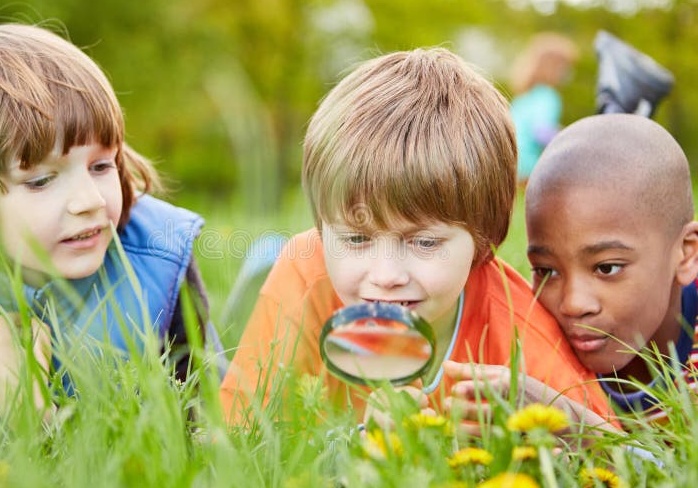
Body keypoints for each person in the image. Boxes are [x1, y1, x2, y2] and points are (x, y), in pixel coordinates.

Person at [219, 48, 611, 425]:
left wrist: (566, 429)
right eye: (356, 240)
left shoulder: (516, 332)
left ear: (484, 239)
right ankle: (254, 280)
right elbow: (236, 441)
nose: (386, 275)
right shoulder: (306, 275)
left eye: (423, 243)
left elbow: (626, 458)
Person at [0, 24, 222, 422]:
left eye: (101, 165)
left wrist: (38, 426)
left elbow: (213, 442)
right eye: (41, 180)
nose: (90, 201)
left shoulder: (161, 261)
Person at [447, 114, 698, 428]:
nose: (573, 304)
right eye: (547, 271)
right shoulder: (534, 345)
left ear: (686, 254)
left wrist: (580, 430)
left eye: (607, 268)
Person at [509, 33, 578, 183]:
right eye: (565, 67)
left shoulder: (524, 96)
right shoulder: (548, 96)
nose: (567, 73)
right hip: (526, 166)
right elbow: (541, 132)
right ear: (553, 67)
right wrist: (570, 138)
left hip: (509, 162)